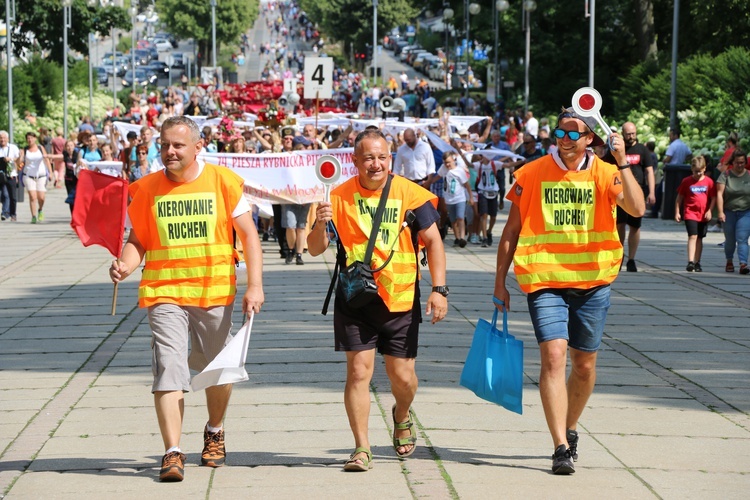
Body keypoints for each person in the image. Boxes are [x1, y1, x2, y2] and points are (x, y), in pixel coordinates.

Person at [108, 116, 264, 482]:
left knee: (218, 368)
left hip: (213, 292)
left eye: (178, 145)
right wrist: (125, 266)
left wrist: (254, 286)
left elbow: (250, 237)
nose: (170, 152)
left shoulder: (223, 182)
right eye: (164, 145)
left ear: (198, 147)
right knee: (169, 365)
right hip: (163, 292)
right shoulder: (147, 189)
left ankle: (214, 429)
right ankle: (172, 452)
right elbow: (139, 240)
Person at [493, 108, 645, 475]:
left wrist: (622, 161)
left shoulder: (606, 173)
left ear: (590, 138)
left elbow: (637, 208)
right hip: (545, 279)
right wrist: (499, 281)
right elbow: (511, 231)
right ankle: (560, 445)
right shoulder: (530, 173)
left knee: (584, 365)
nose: (566, 140)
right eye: (560, 133)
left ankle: (571, 426)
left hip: (593, 282)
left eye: (574, 134)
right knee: (553, 357)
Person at [307, 129, 447, 472]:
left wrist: (439, 289)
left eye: (382, 157)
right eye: (368, 157)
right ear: (354, 162)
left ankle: (402, 414)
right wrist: (319, 225)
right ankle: (362, 447)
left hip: (400, 298)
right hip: (355, 299)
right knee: (358, 373)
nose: (376, 164)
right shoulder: (335, 197)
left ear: (391, 159)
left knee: (402, 377)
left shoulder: (410, 194)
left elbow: (434, 241)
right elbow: (313, 248)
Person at [617, 122, 655, 272]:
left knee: (635, 226)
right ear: (623, 133)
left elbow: (649, 171)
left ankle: (631, 259)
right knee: (619, 225)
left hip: (638, 193)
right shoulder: (618, 149)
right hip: (620, 192)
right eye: (628, 134)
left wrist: (652, 192)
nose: (631, 136)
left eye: (633, 133)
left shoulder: (642, 150)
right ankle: (619, 257)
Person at [423, 150, 473, 247]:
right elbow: (438, 176)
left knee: (460, 217)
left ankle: (462, 238)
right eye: (445, 163)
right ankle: (457, 238)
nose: (447, 165)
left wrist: (470, 197)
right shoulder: (443, 168)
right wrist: (429, 182)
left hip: (460, 198)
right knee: (453, 219)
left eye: (449, 162)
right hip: (449, 198)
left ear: (453, 160)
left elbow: (467, 185)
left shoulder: (459, 171)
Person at [675, 156, 716, 272]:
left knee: (699, 238)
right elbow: (679, 198)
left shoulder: (709, 182)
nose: (698, 174)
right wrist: (677, 212)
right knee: (692, 236)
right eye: (695, 171)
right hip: (690, 213)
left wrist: (710, 211)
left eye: (700, 171)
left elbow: (713, 198)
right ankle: (690, 261)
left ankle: (698, 261)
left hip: (703, 214)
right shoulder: (686, 181)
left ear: (704, 169)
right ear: (691, 170)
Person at [716, 150, 750, 274]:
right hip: (729, 211)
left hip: (746, 212)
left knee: (742, 238)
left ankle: (743, 263)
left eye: (742, 163)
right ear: (732, 163)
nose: (740, 165)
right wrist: (720, 212)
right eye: (737, 163)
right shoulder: (725, 175)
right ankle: (729, 260)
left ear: (745, 162)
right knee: (730, 240)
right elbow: (719, 194)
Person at [18, 131, 53, 224]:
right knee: (32, 196)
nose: (30, 140)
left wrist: (51, 172)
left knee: (41, 197)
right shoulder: (24, 150)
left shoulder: (40, 148)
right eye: (28, 138)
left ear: (35, 139)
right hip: (28, 176)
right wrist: (20, 157)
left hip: (41, 176)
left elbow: (47, 160)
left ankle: (40, 209)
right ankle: (33, 216)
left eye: (31, 138)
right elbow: (19, 163)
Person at [1, 130, 21, 221]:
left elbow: (18, 160)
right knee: (4, 194)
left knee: (12, 196)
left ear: (8, 139)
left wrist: (11, 159)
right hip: (1, 175)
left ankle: (13, 214)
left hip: (11, 174)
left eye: (4, 138)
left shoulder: (13, 148)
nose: (2, 140)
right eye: (1, 138)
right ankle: (5, 212)